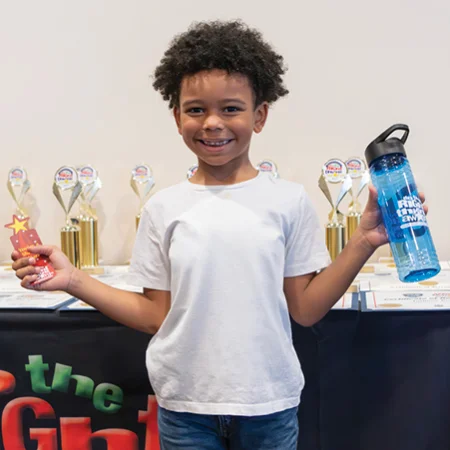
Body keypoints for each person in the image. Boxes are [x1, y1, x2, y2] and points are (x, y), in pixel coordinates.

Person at [11, 19, 427, 450]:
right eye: (196, 109)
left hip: (270, 404)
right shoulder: (163, 207)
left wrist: (363, 242)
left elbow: (304, 309)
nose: (212, 123)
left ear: (259, 115)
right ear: (177, 117)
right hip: (185, 408)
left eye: (230, 108)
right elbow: (155, 314)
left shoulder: (289, 201)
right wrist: (74, 280)